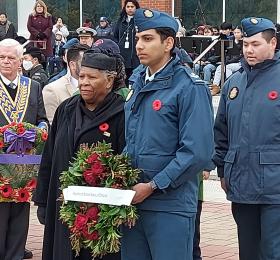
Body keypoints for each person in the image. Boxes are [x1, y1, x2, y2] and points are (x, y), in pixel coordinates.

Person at [121, 8, 214, 260]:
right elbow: (131, 142)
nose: (139, 45)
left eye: (148, 39)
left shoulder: (188, 87)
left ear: (168, 43)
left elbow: (197, 153)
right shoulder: (138, 81)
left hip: (169, 204)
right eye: (138, 38)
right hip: (133, 201)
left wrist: (153, 185)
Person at [33, 51, 124, 260]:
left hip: (101, 215)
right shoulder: (66, 109)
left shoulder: (122, 112)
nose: (83, 82)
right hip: (63, 207)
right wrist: (42, 200)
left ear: (109, 80)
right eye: (81, 76)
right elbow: (49, 156)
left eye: (91, 78)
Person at [213, 17, 280, 260]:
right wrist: (222, 170)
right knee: (248, 252)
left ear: (273, 43)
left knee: (273, 252)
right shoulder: (234, 83)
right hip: (241, 183)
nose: (249, 50)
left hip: (275, 187)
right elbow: (221, 132)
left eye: (256, 44)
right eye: (245, 45)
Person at [0, 38, 48, 260]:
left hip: (24, 160)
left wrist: (39, 130)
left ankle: (16, 253)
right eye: (2, 57)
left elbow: (42, 119)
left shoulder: (34, 86)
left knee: (20, 207)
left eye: (11, 58)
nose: (6, 61)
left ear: (21, 61)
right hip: (0, 159)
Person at [43, 43, 89, 124]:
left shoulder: (97, 87)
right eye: (84, 62)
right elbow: (51, 127)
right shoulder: (53, 89)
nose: (89, 66)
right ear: (72, 65)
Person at [113, 0, 140, 85]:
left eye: (132, 7)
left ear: (136, 8)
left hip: (135, 56)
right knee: (123, 80)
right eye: (128, 7)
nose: (130, 9)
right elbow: (115, 35)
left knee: (135, 80)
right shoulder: (120, 21)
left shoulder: (139, 21)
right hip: (123, 55)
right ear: (125, 8)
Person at [211, 26, 243, 95]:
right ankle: (215, 87)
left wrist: (228, 62)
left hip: (240, 63)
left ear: (242, 33)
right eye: (235, 32)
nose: (236, 34)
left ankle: (229, 86)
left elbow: (239, 56)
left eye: (238, 32)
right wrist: (226, 61)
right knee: (220, 67)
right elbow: (227, 53)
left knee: (227, 67)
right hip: (230, 62)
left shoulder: (244, 42)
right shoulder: (230, 40)